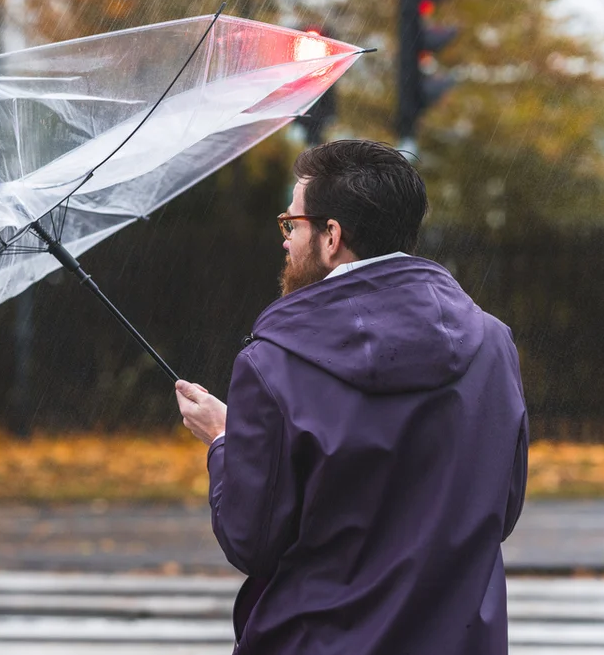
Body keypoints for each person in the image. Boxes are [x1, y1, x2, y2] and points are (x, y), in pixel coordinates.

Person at [176, 139, 528, 655]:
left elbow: (251, 540)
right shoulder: (494, 345)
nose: (286, 240)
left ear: (331, 235)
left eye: (291, 224)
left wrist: (226, 441)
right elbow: (502, 508)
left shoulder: (274, 364)